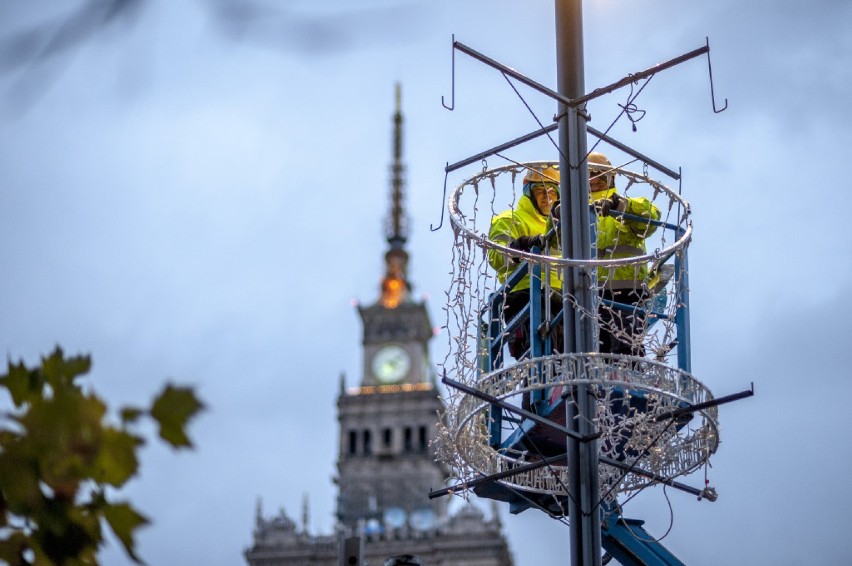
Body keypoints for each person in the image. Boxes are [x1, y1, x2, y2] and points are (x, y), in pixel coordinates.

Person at [587, 152, 661, 357]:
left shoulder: (626, 206)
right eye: (589, 177)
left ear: (610, 179)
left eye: (599, 176)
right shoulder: (577, 210)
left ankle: (627, 379)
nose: (594, 181)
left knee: (625, 347)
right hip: (590, 294)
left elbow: (651, 217)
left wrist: (621, 206)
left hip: (627, 294)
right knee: (595, 353)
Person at [487, 164, 564, 359]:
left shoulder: (563, 225)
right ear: (529, 193)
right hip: (525, 298)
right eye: (540, 191)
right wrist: (521, 247)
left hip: (562, 298)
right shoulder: (511, 219)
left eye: (552, 191)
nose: (547, 196)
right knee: (540, 356)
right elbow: (497, 256)